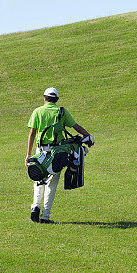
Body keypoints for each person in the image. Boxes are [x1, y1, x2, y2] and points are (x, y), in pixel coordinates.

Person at [25, 87, 94, 223]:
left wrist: (28, 154)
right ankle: (45, 216)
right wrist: (88, 135)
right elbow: (75, 126)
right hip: (56, 153)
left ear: (44, 98)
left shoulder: (37, 111)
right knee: (51, 184)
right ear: (56, 100)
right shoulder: (61, 112)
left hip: (40, 152)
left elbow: (32, 133)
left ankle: (35, 207)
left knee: (38, 181)